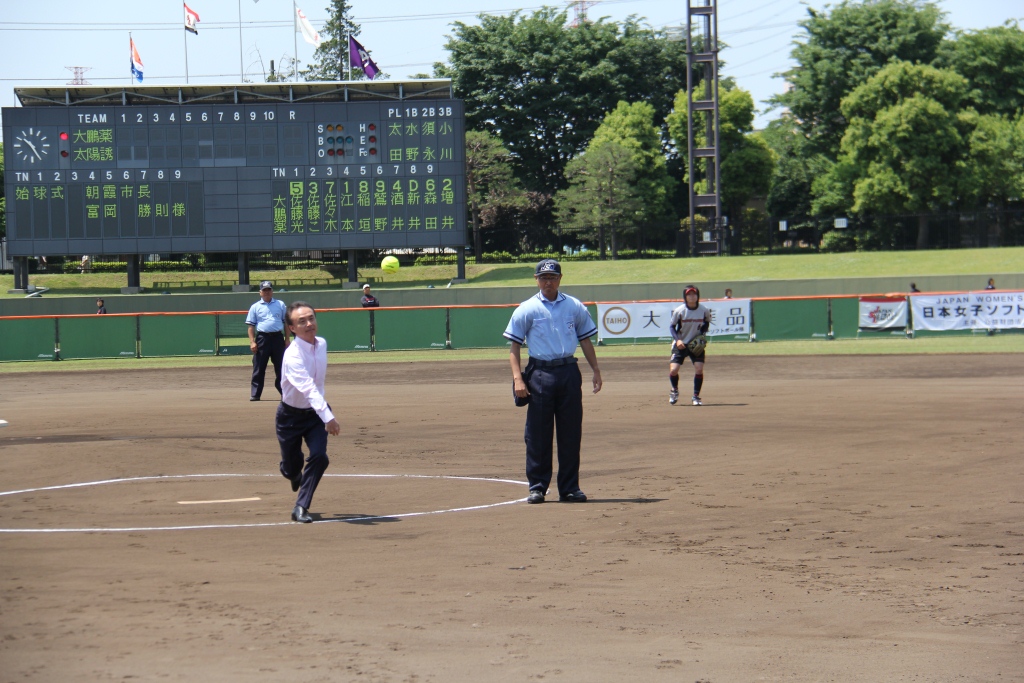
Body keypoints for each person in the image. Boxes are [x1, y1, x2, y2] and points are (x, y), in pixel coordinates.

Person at [504, 259, 602, 505]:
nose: (548, 281)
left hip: (568, 371)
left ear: (560, 279)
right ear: (536, 280)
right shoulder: (527, 309)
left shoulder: (574, 306)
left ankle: (569, 488)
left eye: (553, 277)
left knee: (570, 433)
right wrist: (518, 379)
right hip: (539, 374)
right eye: (543, 277)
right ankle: (537, 487)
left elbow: (586, 341)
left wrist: (596, 370)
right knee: (537, 434)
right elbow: (514, 348)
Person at [276, 301, 340, 523]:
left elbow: (318, 388)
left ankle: (301, 506)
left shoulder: (321, 344)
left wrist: (324, 415)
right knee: (292, 467)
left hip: (314, 415)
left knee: (320, 457)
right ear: (292, 328)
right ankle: (292, 473)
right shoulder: (292, 356)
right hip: (290, 417)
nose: (309, 323)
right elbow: (308, 389)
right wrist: (329, 418)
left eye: (311, 318)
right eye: (301, 321)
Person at [668, 285, 712, 406]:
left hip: (695, 344)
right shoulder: (680, 311)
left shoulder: (703, 310)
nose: (692, 296)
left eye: (694, 294)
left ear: (698, 296)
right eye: (689, 294)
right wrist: (677, 340)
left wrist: (702, 334)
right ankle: (674, 390)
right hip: (681, 343)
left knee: (699, 368)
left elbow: (707, 322)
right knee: (674, 370)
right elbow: (672, 327)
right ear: (685, 297)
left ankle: (696, 396)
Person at [246, 281, 289, 402]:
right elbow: (251, 326)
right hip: (262, 339)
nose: (267, 292)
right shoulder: (255, 307)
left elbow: (286, 323)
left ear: (272, 291)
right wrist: (252, 342)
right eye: (264, 290)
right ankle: (255, 394)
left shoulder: (280, 304)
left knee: (281, 367)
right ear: (260, 292)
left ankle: (284, 393)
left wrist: (287, 339)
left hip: (277, 338)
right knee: (259, 367)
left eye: (268, 290)